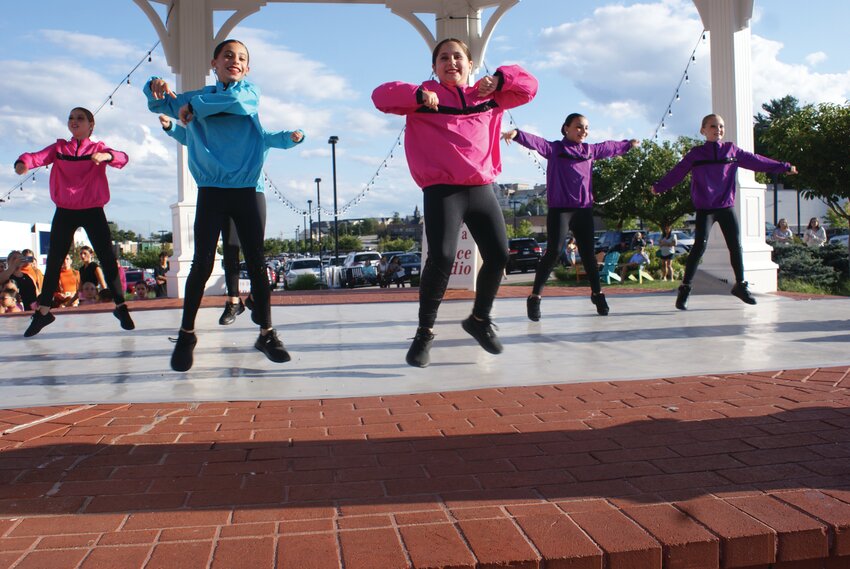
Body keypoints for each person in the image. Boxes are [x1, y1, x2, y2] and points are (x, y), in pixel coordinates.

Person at [373, 38, 537, 367]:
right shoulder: (423, 96)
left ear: (471, 65)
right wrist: (417, 94)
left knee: (500, 255)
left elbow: (529, 87)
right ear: (433, 67)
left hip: (480, 187)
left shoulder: (490, 97)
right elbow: (381, 96)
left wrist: (502, 79)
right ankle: (424, 332)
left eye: (458, 57)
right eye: (443, 58)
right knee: (443, 256)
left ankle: (479, 319)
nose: (452, 62)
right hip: (442, 189)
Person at [144, 39, 304, 371]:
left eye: (242, 58)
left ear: (247, 68)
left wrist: (193, 108)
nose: (235, 60)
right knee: (201, 264)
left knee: (257, 263)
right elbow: (159, 105)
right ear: (214, 63)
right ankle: (187, 334)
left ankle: (267, 332)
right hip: (212, 190)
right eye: (228, 55)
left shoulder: (250, 93)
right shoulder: (191, 98)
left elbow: (237, 104)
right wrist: (154, 86)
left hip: (246, 190)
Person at [651, 113, 797, 309]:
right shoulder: (696, 154)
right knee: (699, 247)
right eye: (712, 126)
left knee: (735, 246)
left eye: (720, 126)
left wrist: (783, 167)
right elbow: (677, 172)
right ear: (703, 130)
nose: (717, 129)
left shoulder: (731, 151)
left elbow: (756, 161)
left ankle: (740, 285)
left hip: (725, 207)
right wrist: (659, 187)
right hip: (705, 209)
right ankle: (685, 288)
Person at [503, 114, 638, 320]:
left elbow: (608, 146)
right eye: (578, 127)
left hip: (583, 209)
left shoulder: (590, 151)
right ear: (566, 128)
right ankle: (535, 297)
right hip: (560, 210)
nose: (583, 131)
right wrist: (517, 134)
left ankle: (597, 293)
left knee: (588, 255)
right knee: (553, 252)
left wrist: (627, 145)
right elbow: (537, 142)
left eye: (586, 128)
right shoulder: (556, 149)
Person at [13, 108, 134, 336]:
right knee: (55, 262)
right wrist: (22, 163)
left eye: (80, 118)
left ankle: (120, 305)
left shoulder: (98, 148)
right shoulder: (59, 149)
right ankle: (44, 312)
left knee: (108, 258)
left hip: (92, 209)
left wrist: (106, 156)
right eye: (71, 117)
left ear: (91, 125)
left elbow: (122, 158)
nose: (74, 121)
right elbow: (34, 157)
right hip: (65, 210)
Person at [157, 114, 282, 324]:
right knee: (231, 246)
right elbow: (192, 139)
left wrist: (298, 137)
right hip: (227, 192)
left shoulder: (256, 135)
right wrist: (170, 127)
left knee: (255, 252)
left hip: (254, 193)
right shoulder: (220, 137)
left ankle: (254, 298)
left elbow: (280, 138)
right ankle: (234, 300)